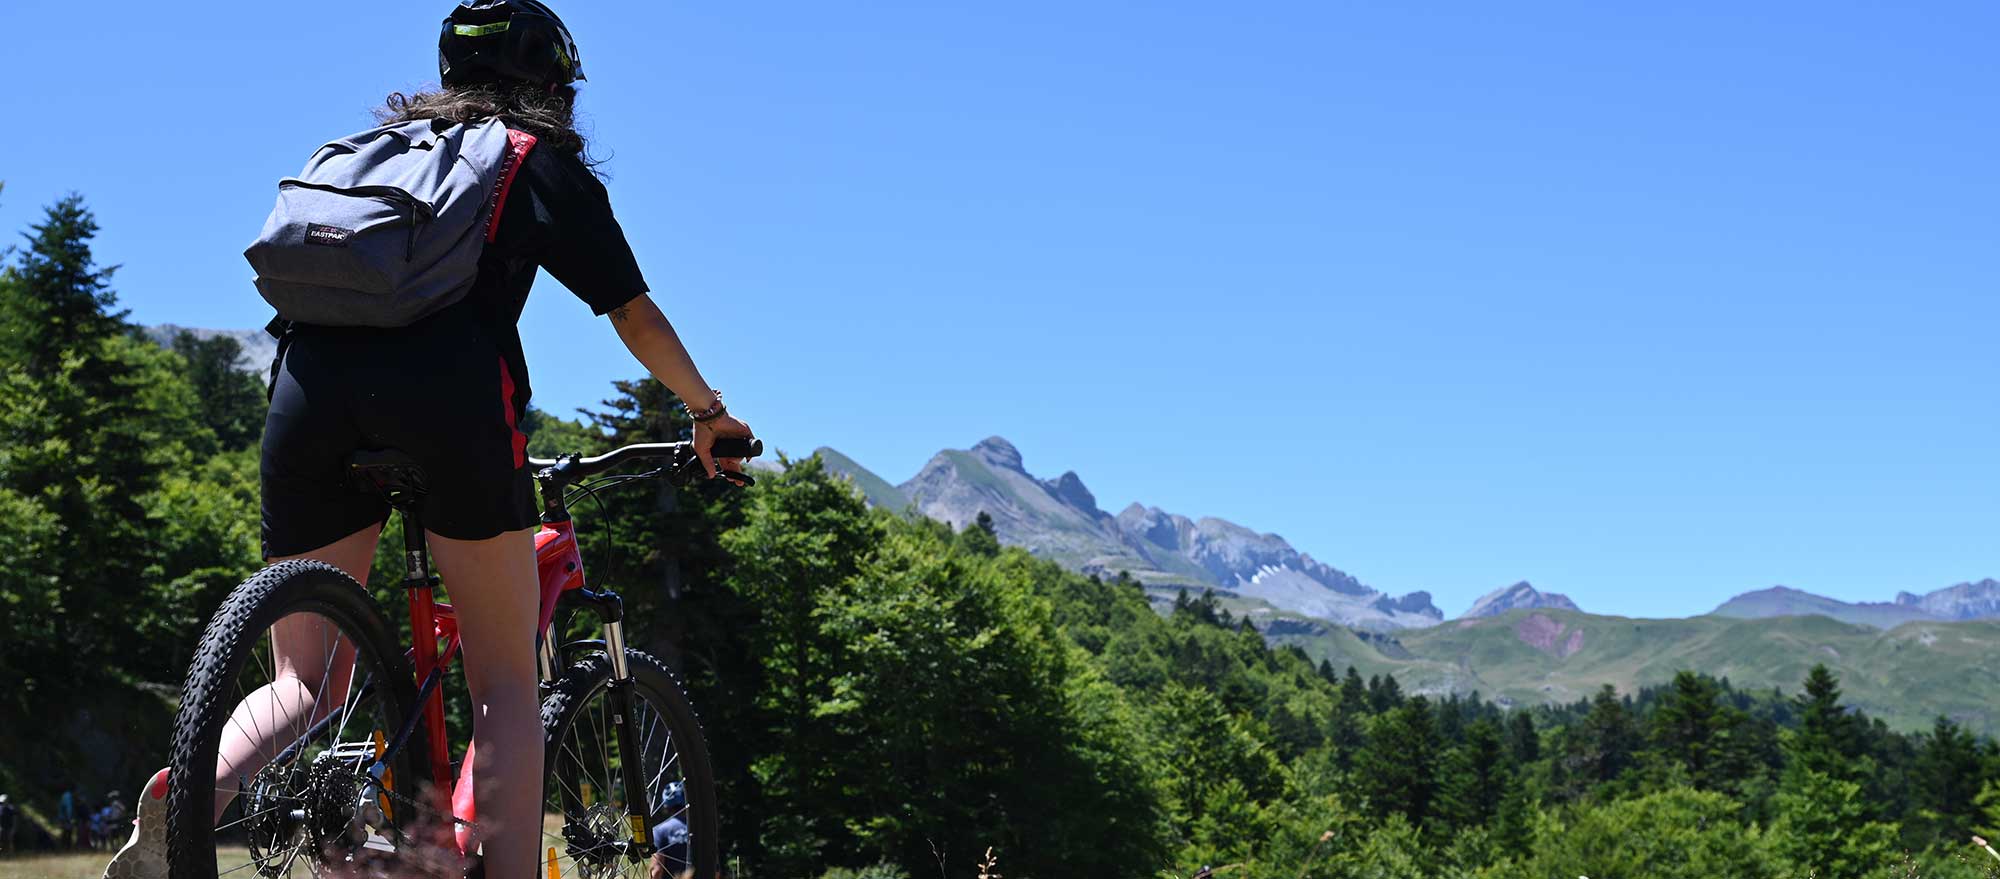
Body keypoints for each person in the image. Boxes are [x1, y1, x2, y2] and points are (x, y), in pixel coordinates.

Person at [102, 3, 754, 878]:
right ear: (555, 85)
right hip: (449, 400)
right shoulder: (533, 160)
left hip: (306, 392)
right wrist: (709, 415)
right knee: (503, 686)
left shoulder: (367, 156)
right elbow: (631, 312)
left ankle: (191, 793)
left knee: (304, 682)